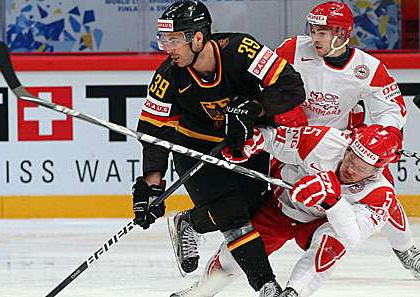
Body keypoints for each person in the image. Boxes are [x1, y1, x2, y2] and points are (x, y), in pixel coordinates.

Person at [131, 1, 306, 296]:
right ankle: (267, 286)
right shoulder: (167, 76)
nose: (167, 49)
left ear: (198, 38)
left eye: (174, 41)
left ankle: (189, 222)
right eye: (164, 40)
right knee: (232, 214)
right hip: (193, 146)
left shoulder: (243, 50)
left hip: (243, 144)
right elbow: (153, 131)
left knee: (249, 209)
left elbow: (292, 88)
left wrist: (256, 108)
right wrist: (150, 185)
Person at [273, 1, 420, 280]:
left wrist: (386, 135)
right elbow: (262, 80)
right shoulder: (292, 49)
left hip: (341, 147)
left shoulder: (367, 67)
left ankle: (406, 249)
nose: (314, 38)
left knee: (382, 193)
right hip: (294, 144)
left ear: (341, 34)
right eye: (313, 30)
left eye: (322, 32)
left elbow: (391, 108)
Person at [171, 124, 401, 297]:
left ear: (377, 169)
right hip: (277, 209)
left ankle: (293, 293)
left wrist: (333, 201)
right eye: (351, 156)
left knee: (333, 245)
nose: (350, 167)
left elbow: (352, 236)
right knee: (234, 260)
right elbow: (276, 139)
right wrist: (256, 141)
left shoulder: (381, 194)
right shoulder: (324, 141)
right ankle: (201, 291)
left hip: (317, 223)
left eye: (361, 167)